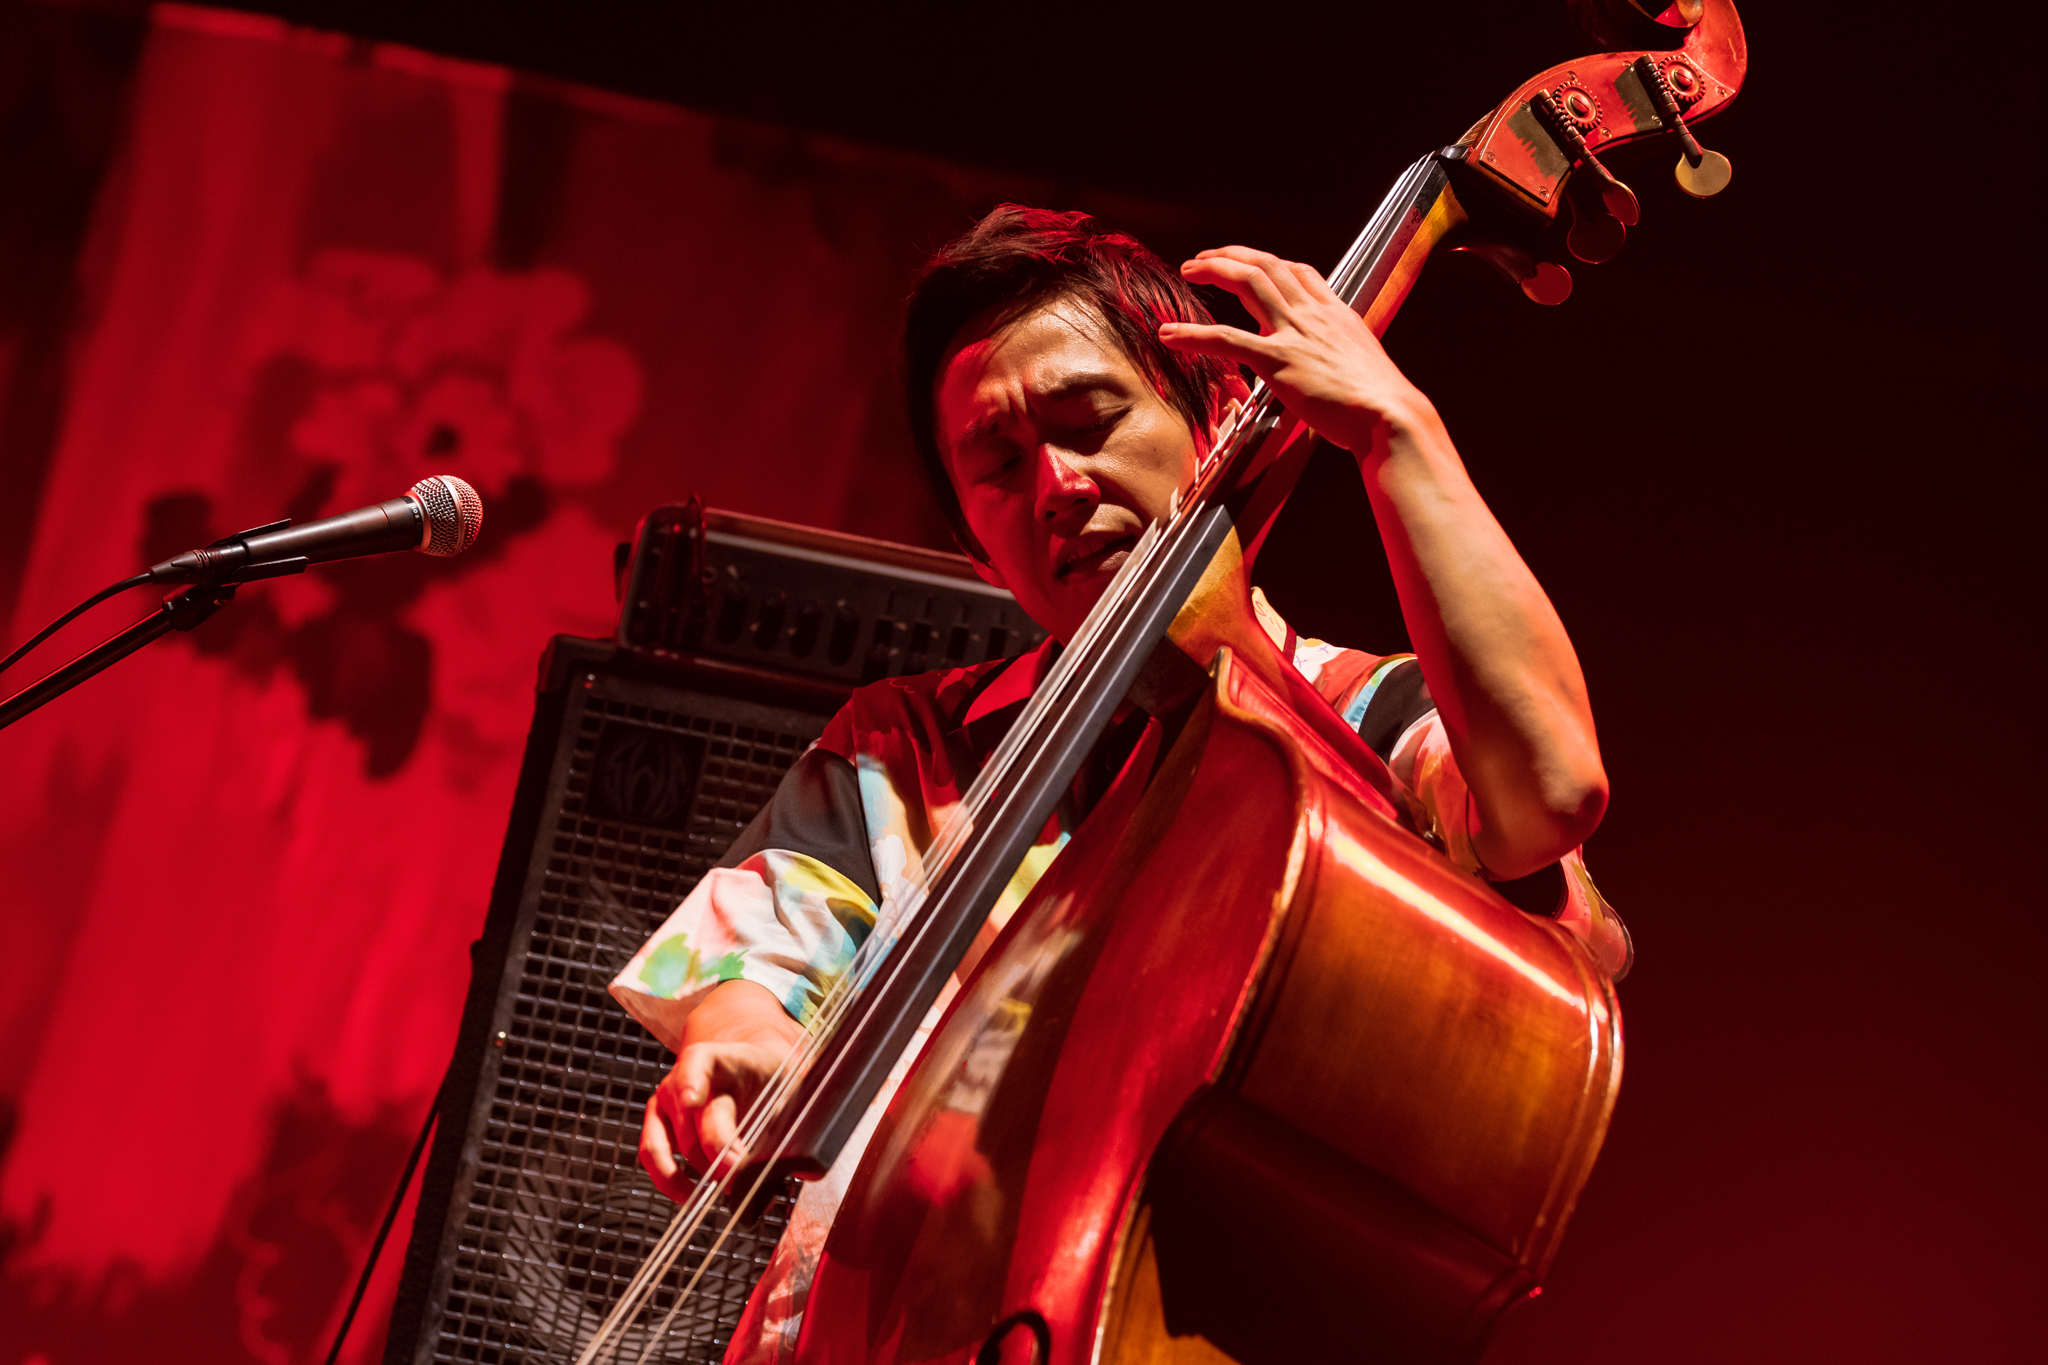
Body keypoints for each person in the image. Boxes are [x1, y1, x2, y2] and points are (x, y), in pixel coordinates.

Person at [606, 205, 1629, 1361]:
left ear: (1211, 422)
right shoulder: (909, 747)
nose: (1053, 484)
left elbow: (1543, 790)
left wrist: (1397, 429)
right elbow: (751, 969)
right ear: (973, 541)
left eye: (1090, 421)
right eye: (995, 465)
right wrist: (740, 1040)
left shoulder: (1364, 724)